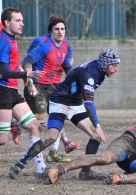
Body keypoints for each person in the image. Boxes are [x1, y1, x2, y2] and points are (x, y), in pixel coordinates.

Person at [10, 48, 120, 181]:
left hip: (75, 104)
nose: (116, 69)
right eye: (114, 65)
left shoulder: (99, 70)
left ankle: (86, 172)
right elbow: (89, 104)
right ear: (105, 63)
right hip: (60, 102)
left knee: (96, 137)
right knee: (51, 138)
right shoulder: (90, 73)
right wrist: (97, 125)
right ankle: (20, 163)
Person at [21, 14, 79, 163]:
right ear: (50, 29)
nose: (60, 31)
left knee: (57, 118)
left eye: (62, 29)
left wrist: (75, 83)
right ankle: (16, 128)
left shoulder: (65, 45)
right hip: (39, 85)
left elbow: (68, 64)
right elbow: (27, 61)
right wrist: (30, 83)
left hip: (55, 86)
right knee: (40, 123)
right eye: (56, 28)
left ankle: (54, 152)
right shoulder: (42, 43)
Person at [0, 7, 46, 178]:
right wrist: (26, 74)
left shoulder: (11, 39)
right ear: (6, 22)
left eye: (22, 20)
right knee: (2, 140)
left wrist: (28, 82)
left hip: (12, 91)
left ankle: (42, 170)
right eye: (17, 20)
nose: (22, 24)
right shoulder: (3, 41)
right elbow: (3, 71)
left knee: (35, 126)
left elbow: (13, 66)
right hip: (2, 91)